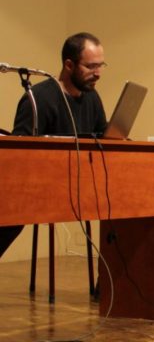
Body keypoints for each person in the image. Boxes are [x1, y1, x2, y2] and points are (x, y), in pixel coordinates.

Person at [0, 32, 108, 258]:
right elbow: (18, 152)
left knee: (125, 204)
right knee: (11, 214)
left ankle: (112, 277)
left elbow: (104, 138)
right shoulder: (39, 97)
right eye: (91, 66)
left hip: (83, 185)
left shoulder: (92, 97)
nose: (98, 73)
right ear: (69, 65)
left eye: (101, 65)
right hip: (41, 189)